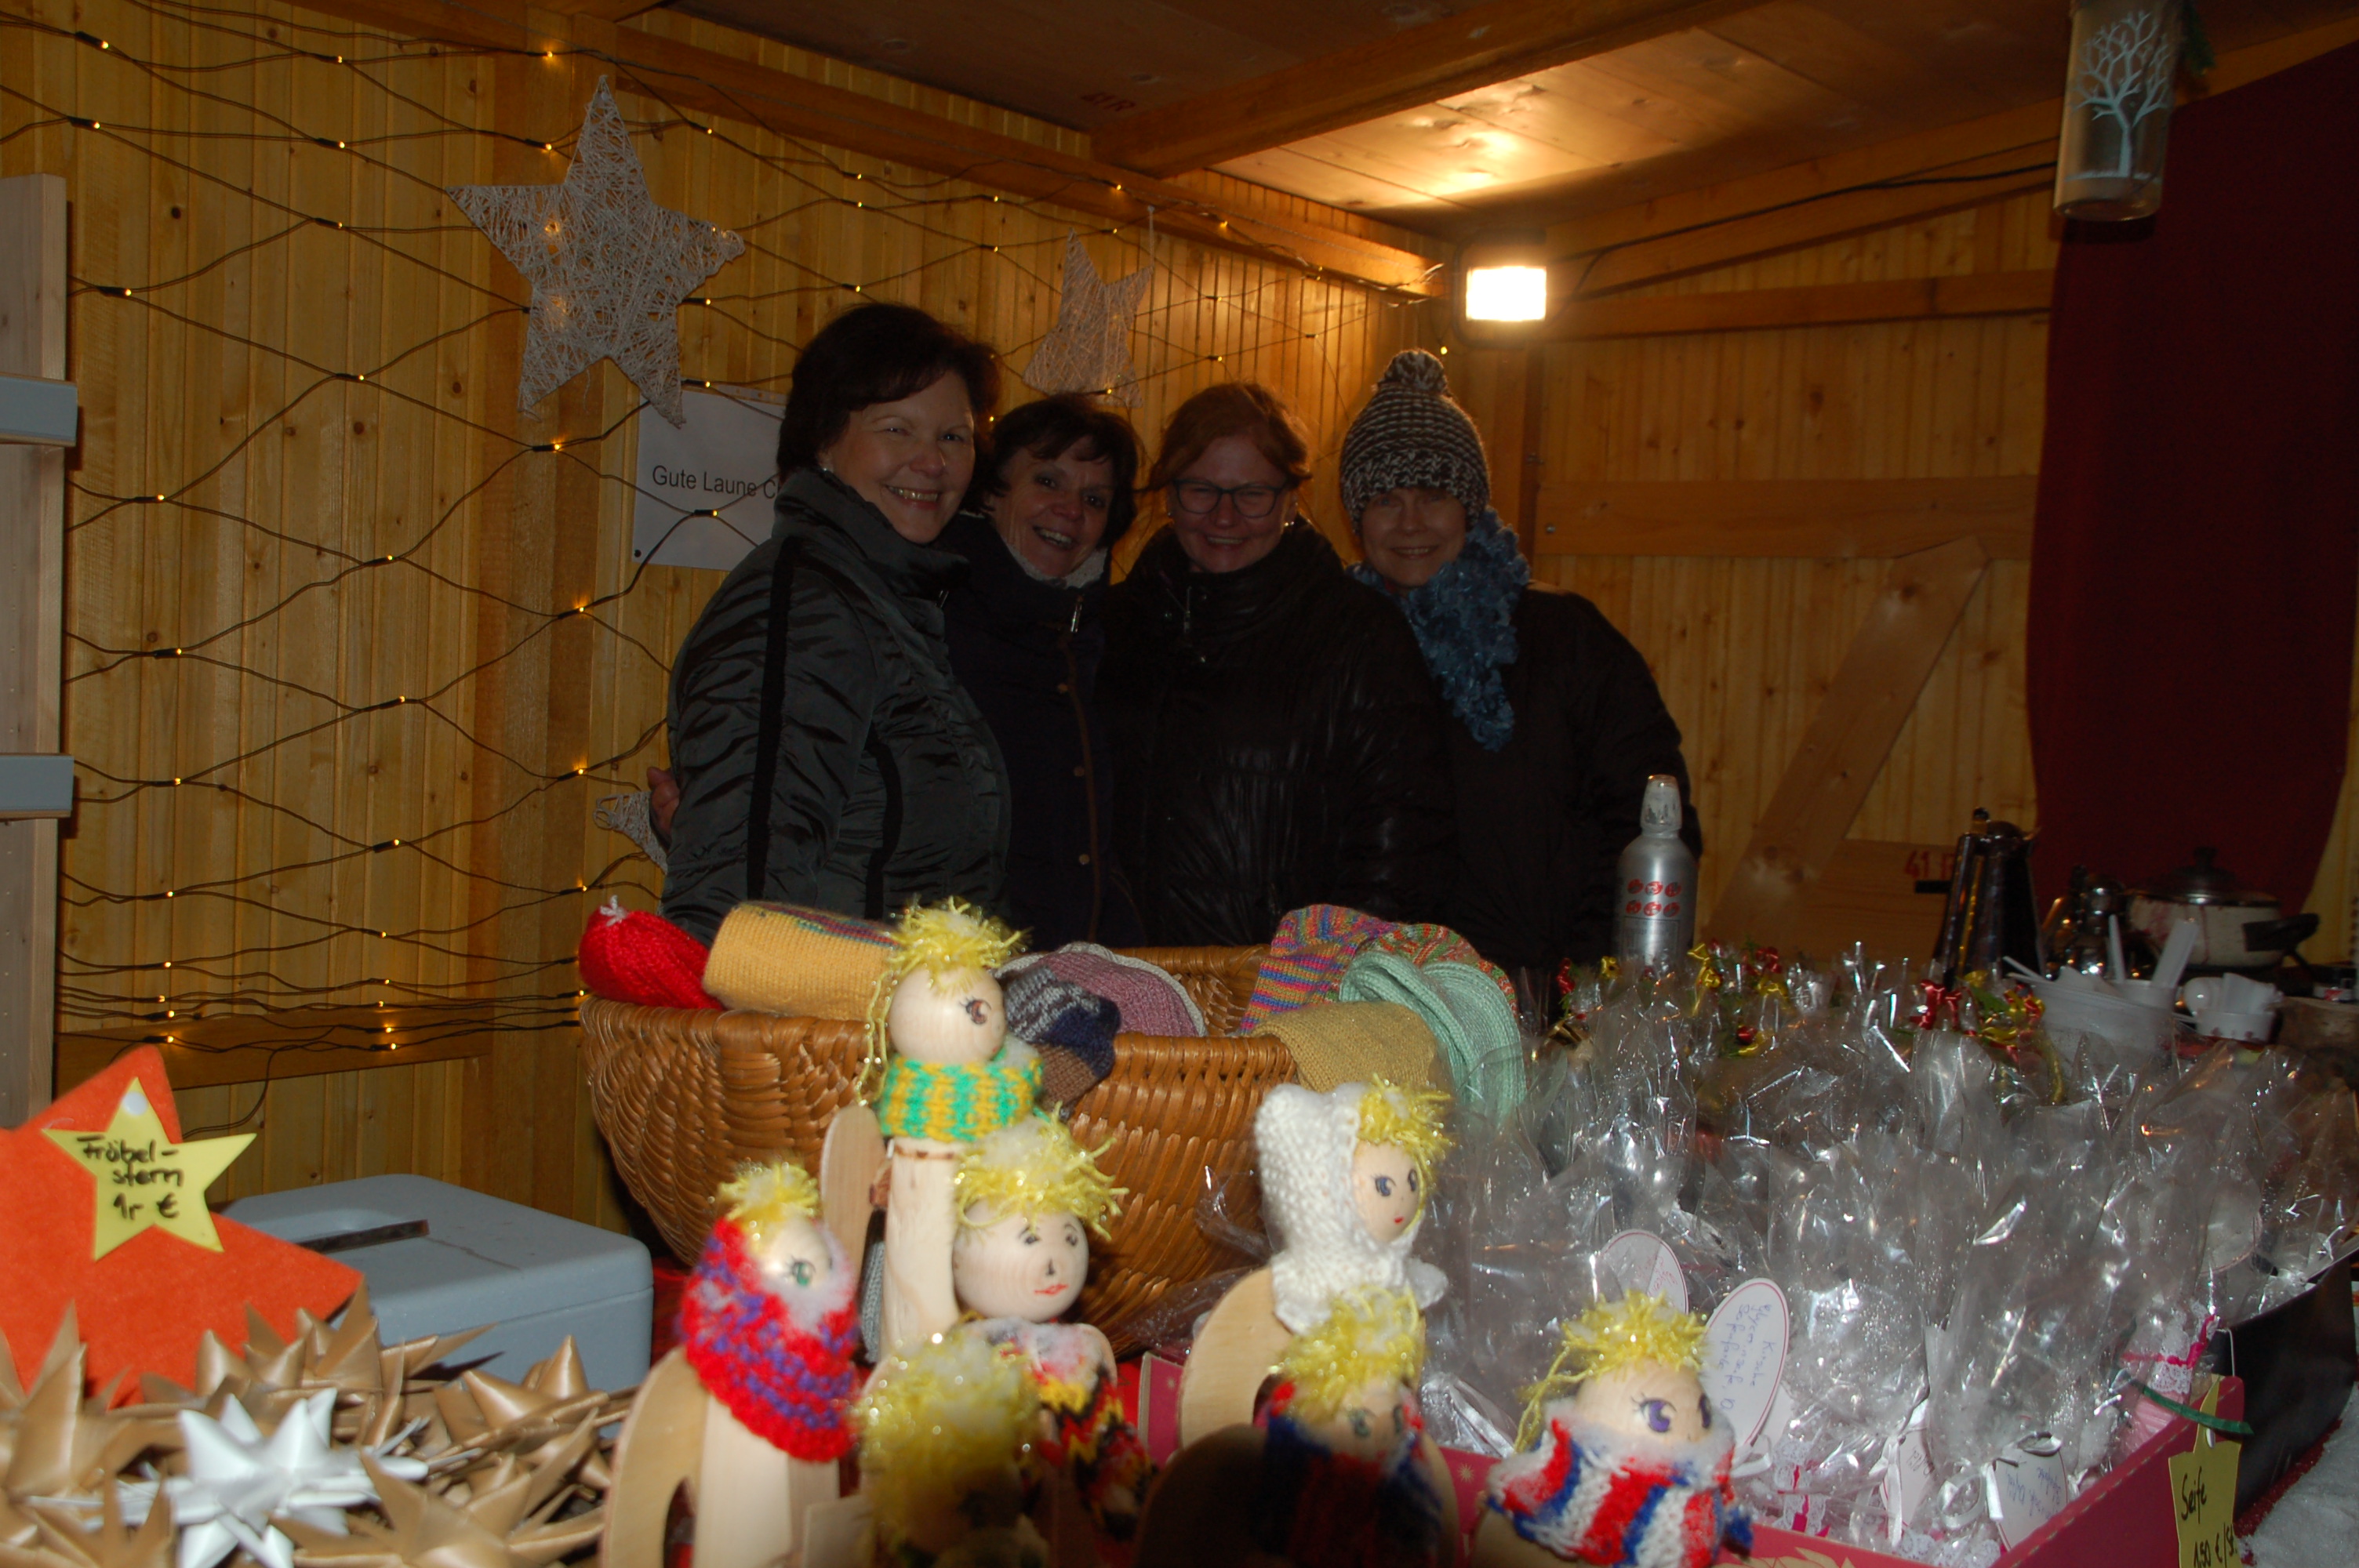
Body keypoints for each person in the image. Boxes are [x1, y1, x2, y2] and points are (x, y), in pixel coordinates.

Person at [1338, 348, 1699, 982]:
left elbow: (1645, 817)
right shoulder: (1340, 649)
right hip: (1383, 990)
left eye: (1433, 496)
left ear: (1470, 506)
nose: (1411, 523)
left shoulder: (1566, 639)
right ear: (1357, 519)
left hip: (1543, 993)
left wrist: (1587, 983)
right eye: (1386, 500)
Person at [660, 303, 1009, 944]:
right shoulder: (803, 605)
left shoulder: (886, 600)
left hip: (897, 1001)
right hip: (826, 1007)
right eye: (897, 429)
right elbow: (740, 894)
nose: (931, 462)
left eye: (953, 437)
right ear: (822, 441)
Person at [1099, 382, 1454, 946]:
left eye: (1252, 494)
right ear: (1169, 495)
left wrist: (1328, 969)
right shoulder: (1118, 623)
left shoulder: (1357, 634)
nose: (1224, 517)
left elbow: (1400, 845)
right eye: (1201, 490)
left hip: (1283, 982)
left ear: (1290, 499)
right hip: (1121, 971)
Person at [939, 395, 1145, 950]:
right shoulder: (936, 616)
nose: (1070, 510)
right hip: (958, 967)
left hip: (1076, 962)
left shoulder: (1099, 635)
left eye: (1094, 499)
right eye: (1048, 482)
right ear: (990, 491)